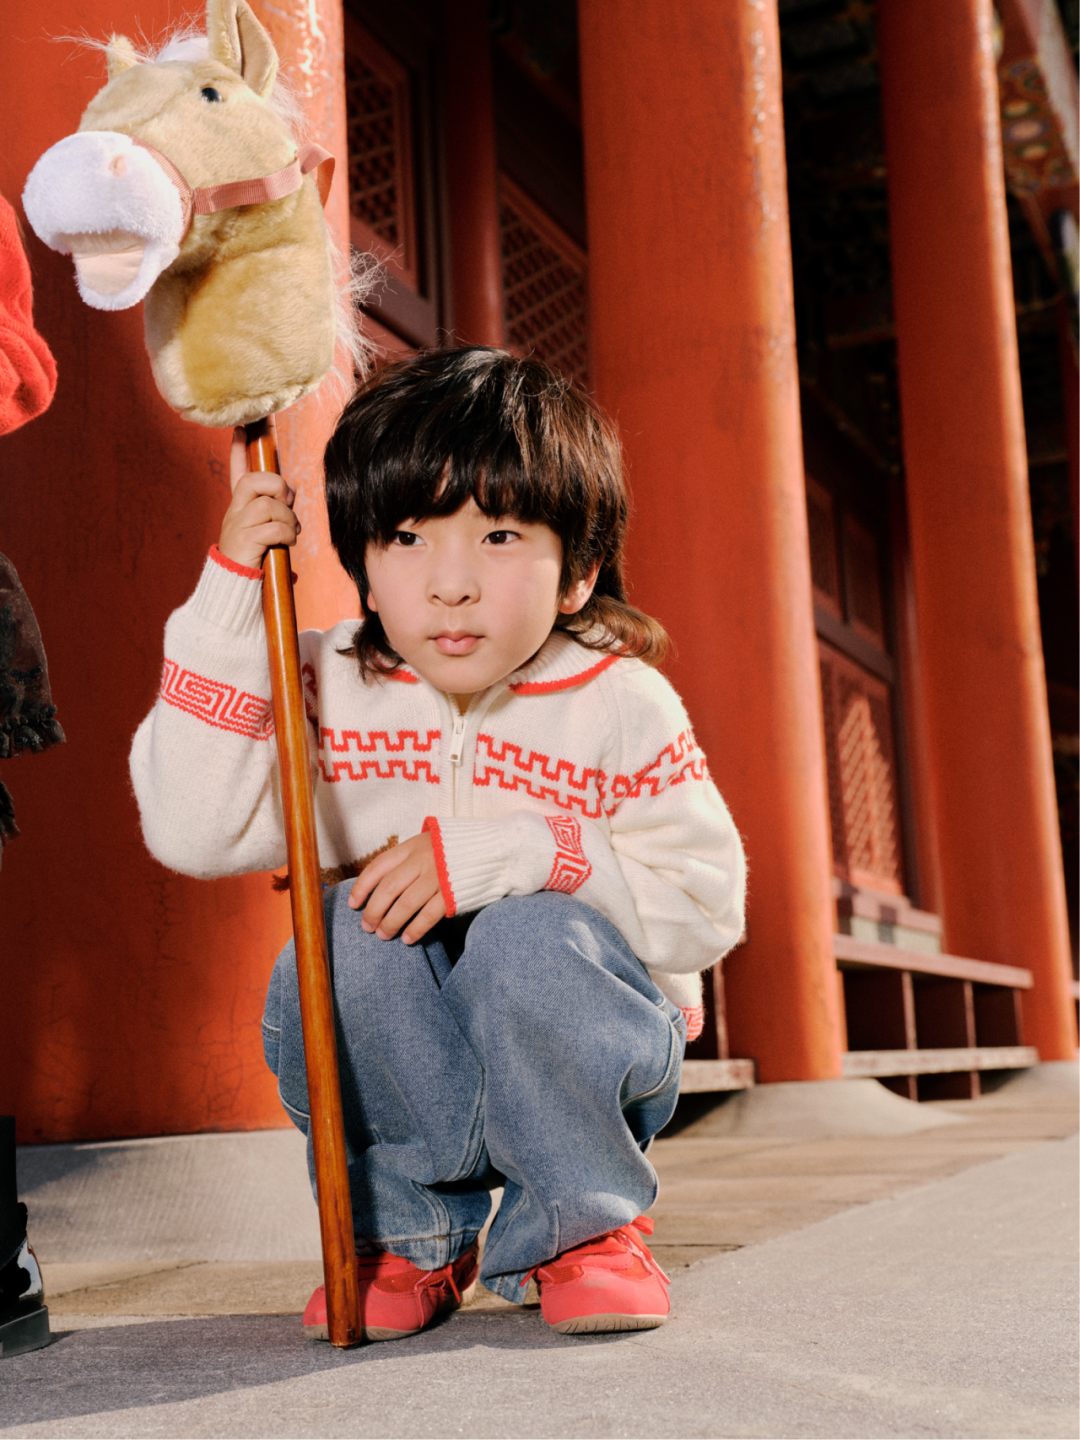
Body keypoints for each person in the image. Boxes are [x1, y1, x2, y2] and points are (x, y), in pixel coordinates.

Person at [129, 347, 746, 1341]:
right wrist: (230, 591)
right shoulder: (326, 685)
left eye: (499, 535)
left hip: (583, 1035)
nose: (450, 585)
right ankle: (406, 1238)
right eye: (408, 538)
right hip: (401, 1039)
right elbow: (191, 829)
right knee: (348, 929)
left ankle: (581, 1228)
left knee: (530, 935)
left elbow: (705, 912)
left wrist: (531, 851)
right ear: (364, 570)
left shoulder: (620, 703)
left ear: (579, 572)